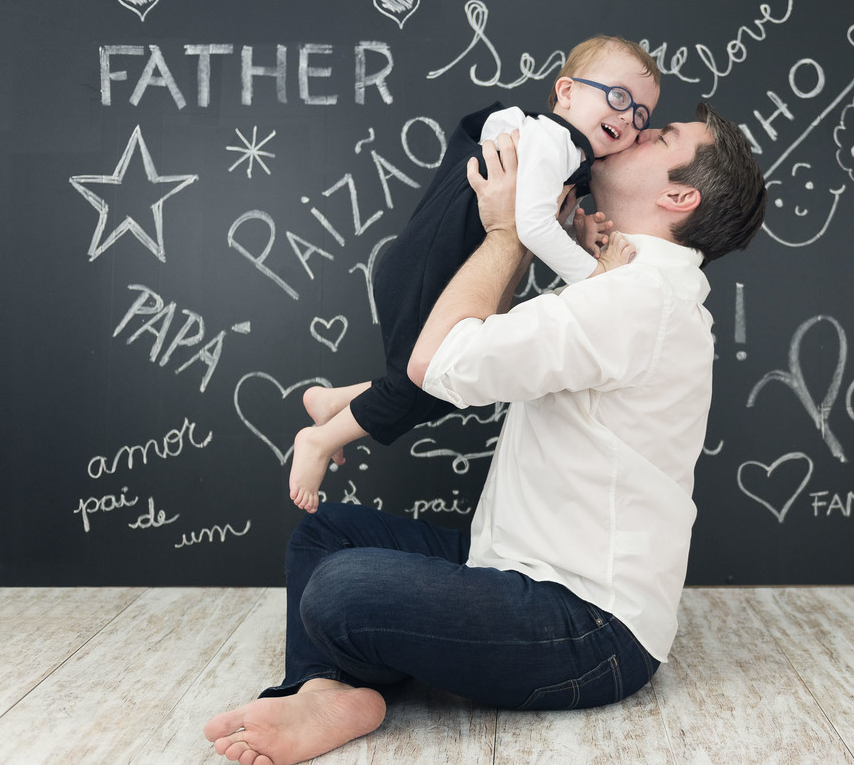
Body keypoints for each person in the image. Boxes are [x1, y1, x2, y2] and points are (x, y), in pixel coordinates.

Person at [204, 103, 767, 765]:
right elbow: (473, 356)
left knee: (340, 588)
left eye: (661, 135)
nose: (636, 129)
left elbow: (433, 362)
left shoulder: (638, 299)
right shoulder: (622, 283)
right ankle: (326, 690)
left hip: (591, 629)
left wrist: (507, 232)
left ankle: (342, 676)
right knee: (325, 535)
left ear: (679, 195)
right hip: (509, 564)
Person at [288, 35, 660, 513]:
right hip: (428, 268)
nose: (629, 117)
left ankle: (334, 404)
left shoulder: (565, 153)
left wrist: (575, 228)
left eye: (642, 115)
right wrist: (593, 275)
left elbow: (540, 212)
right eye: (618, 97)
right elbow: (529, 224)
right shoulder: (551, 141)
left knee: (449, 389)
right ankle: (315, 443)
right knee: (415, 381)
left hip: (441, 270)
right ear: (567, 92)